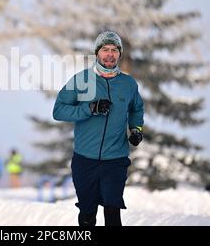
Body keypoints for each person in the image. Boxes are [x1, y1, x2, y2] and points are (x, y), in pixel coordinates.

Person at [53, 30, 144, 226]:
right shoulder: (81, 80)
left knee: (113, 211)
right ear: (97, 53)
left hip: (115, 160)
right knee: (87, 214)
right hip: (85, 160)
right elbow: (58, 111)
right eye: (105, 49)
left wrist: (136, 129)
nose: (110, 54)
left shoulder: (128, 84)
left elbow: (137, 108)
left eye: (114, 50)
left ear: (119, 54)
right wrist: (89, 108)